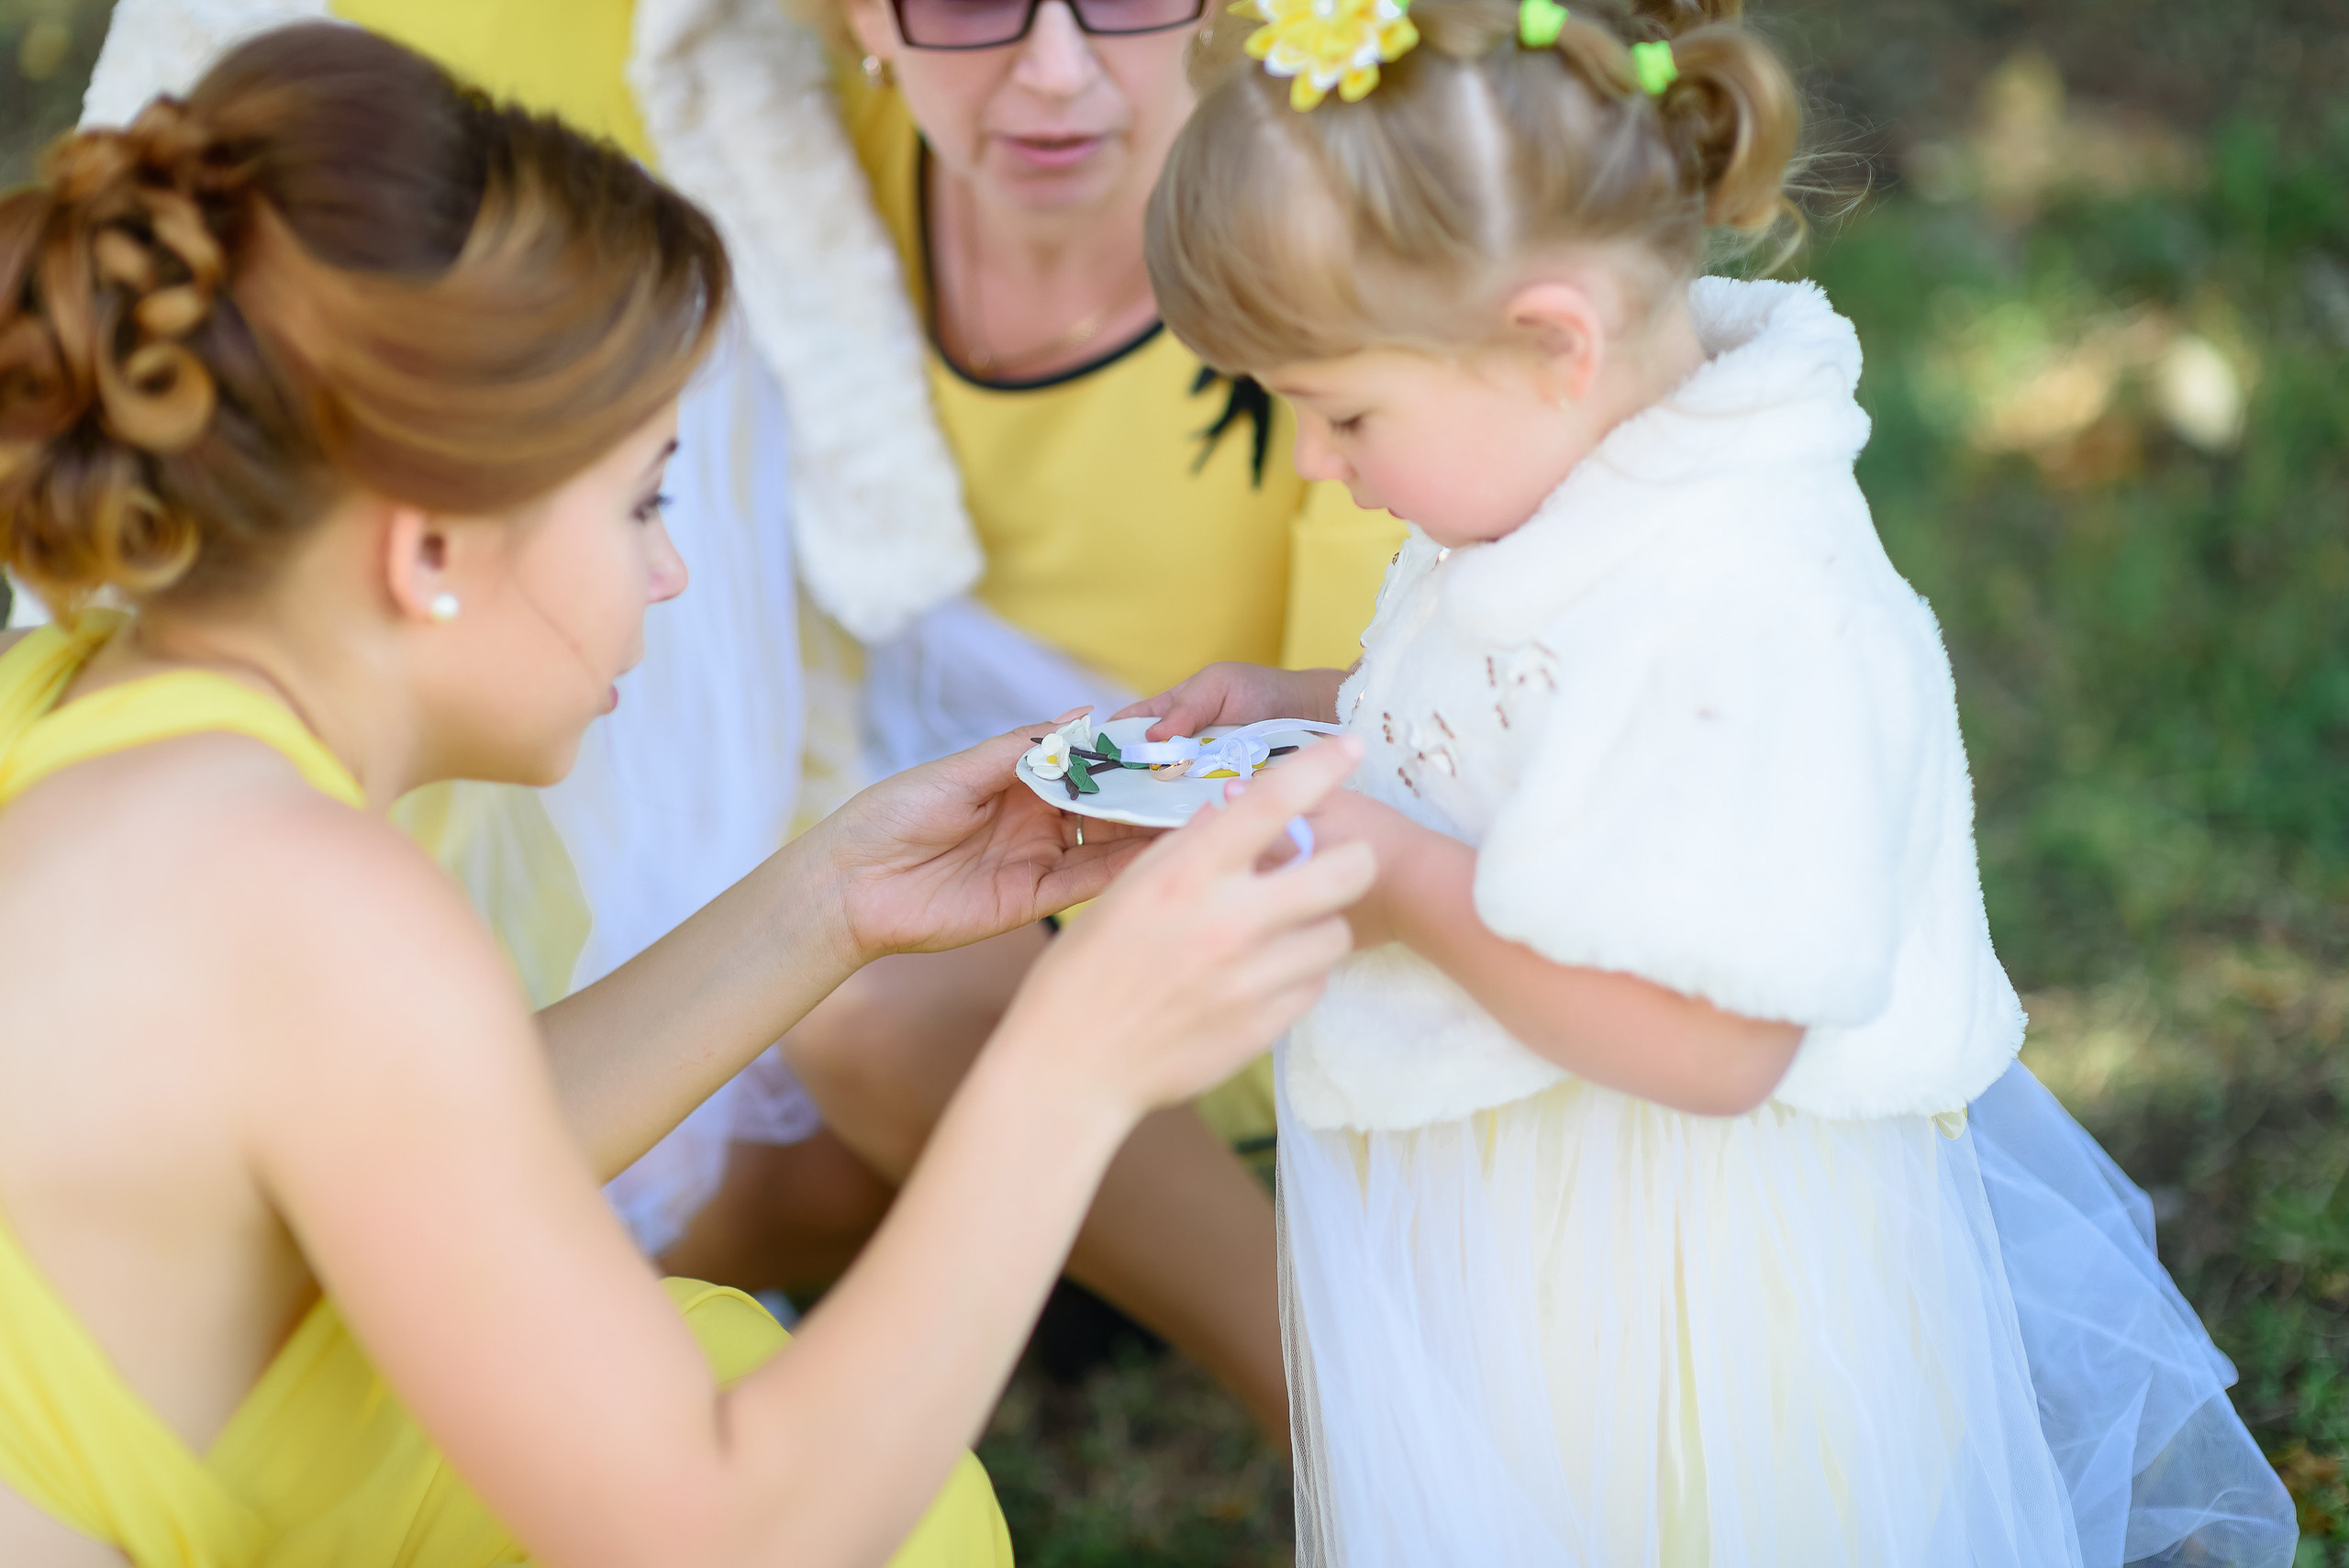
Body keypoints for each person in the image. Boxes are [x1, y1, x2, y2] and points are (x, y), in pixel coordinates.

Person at [0, 25, 1375, 1567]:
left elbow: (423, 1144)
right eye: (642, 498)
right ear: (431, 546)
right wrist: (1076, 1058)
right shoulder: (311, 897)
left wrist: (832, 896)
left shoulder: (88, 710)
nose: (672, 568)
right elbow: (735, 1529)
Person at [1126, 0, 2303, 1562]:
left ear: (1552, 341)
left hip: (1681, 1279)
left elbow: (1718, 1036)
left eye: (1342, 412)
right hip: (1540, 1220)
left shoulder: (1745, 599)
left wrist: (1397, 877)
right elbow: (1534, 716)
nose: (1314, 464)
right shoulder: (1584, 485)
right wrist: (1317, 711)